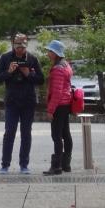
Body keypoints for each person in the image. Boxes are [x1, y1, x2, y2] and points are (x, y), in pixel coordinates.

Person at [0, 33, 44, 174]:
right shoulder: (6, 58)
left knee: (26, 133)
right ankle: (5, 164)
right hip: (12, 101)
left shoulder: (32, 59)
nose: (20, 49)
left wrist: (28, 74)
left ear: (26, 45)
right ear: (13, 45)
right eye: (17, 46)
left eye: (23, 46)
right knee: (9, 132)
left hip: (28, 101)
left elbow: (41, 80)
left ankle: (24, 164)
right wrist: (9, 71)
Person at [44, 39, 74, 175]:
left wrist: (50, 110)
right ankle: (66, 164)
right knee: (66, 134)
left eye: (50, 51)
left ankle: (56, 166)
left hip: (59, 105)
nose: (48, 53)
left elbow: (56, 92)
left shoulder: (57, 69)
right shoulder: (66, 65)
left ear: (55, 53)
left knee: (56, 135)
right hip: (66, 104)